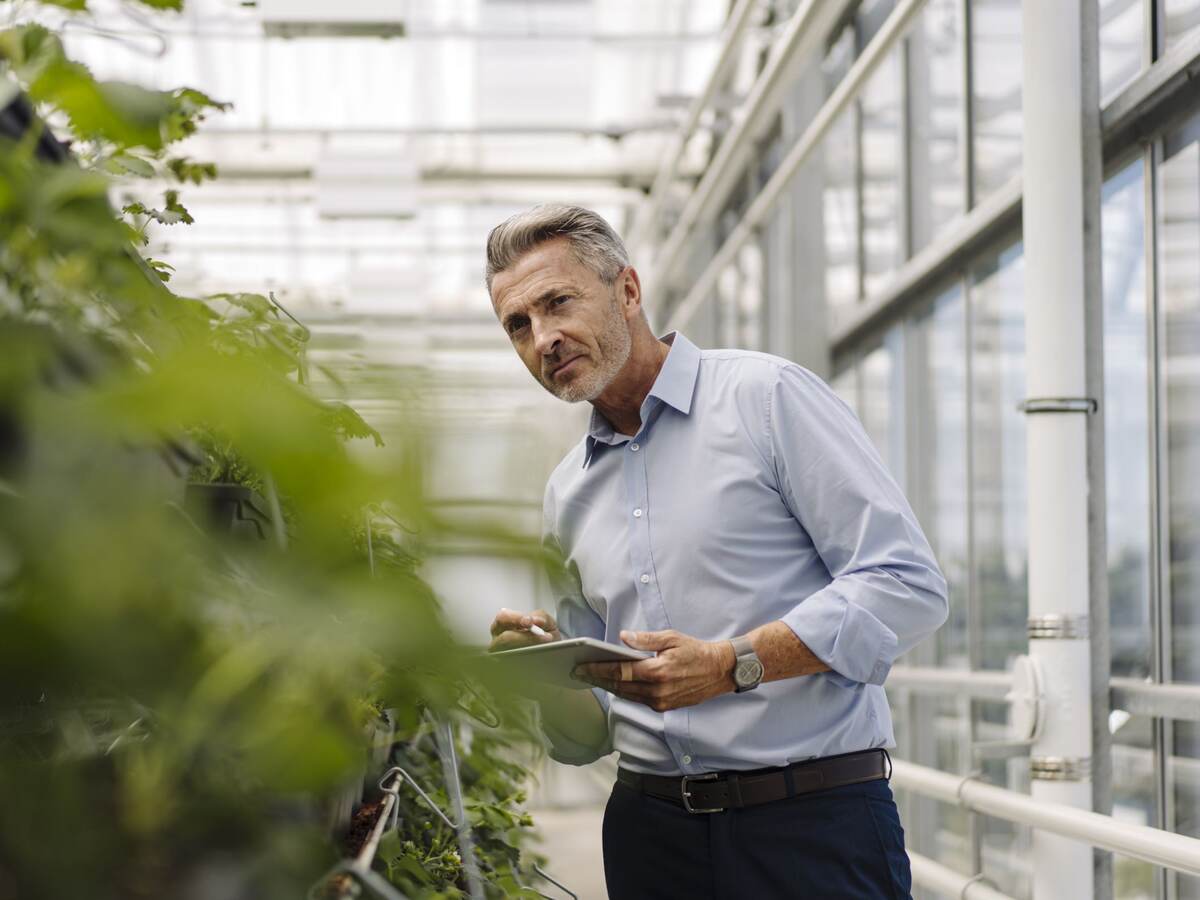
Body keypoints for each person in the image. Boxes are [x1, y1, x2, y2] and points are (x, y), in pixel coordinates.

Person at [485, 204, 947, 899]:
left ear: (629, 291)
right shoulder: (567, 492)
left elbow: (905, 584)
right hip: (651, 840)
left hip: (811, 828)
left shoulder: (766, 400)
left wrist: (734, 665)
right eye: (518, 325)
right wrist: (549, 672)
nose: (543, 338)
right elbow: (589, 737)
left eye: (558, 303)